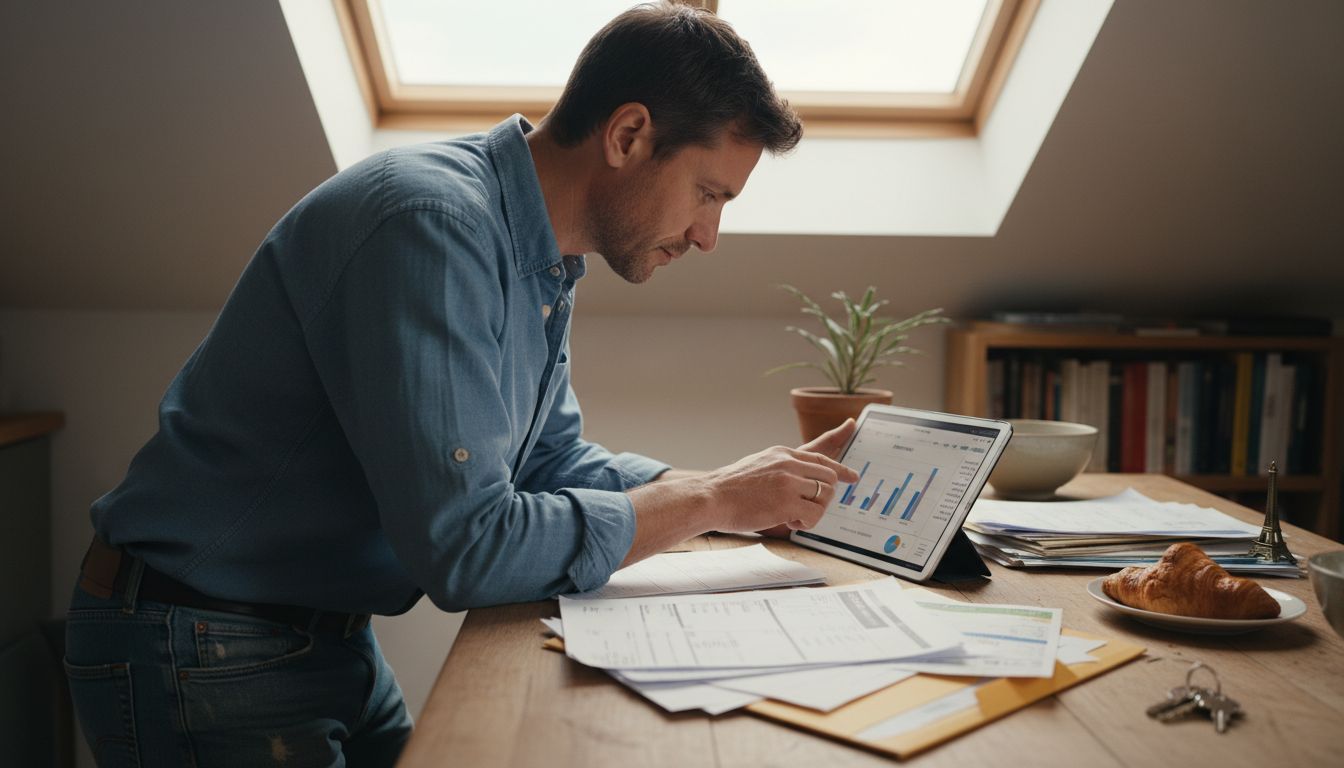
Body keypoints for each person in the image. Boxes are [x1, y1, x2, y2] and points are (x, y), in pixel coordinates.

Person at [65, 3, 860, 766]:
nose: (708, 235)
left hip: (318, 633)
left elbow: (546, 461)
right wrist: (709, 504)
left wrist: (734, 494)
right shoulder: (432, 224)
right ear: (628, 135)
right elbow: (469, 547)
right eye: (709, 193)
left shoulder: (541, 254)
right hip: (201, 639)